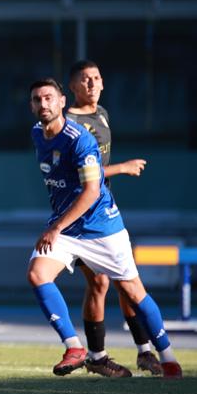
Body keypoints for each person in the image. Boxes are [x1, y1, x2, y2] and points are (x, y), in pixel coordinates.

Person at [25, 78, 181, 379]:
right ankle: (75, 347)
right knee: (37, 274)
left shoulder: (79, 139)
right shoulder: (37, 135)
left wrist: (56, 226)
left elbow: (92, 191)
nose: (42, 104)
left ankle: (168, 357)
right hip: (68, 228)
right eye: (36, 100)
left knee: (133, 292)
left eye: (48, 98)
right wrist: (60, 225)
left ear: (61, 102)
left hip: (101, 228)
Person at [66, 60, 160, 377]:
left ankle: (143, 351)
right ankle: (99, 355)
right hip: (80, 217)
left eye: (96, 78)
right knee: (102, 282)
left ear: (103, 83)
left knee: (124, 282)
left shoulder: (102, 114)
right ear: (72, 87)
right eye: (84, 79)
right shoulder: (68, 125)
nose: (91, 84)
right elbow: (78, 177)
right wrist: (122, 168)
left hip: (105, 213)